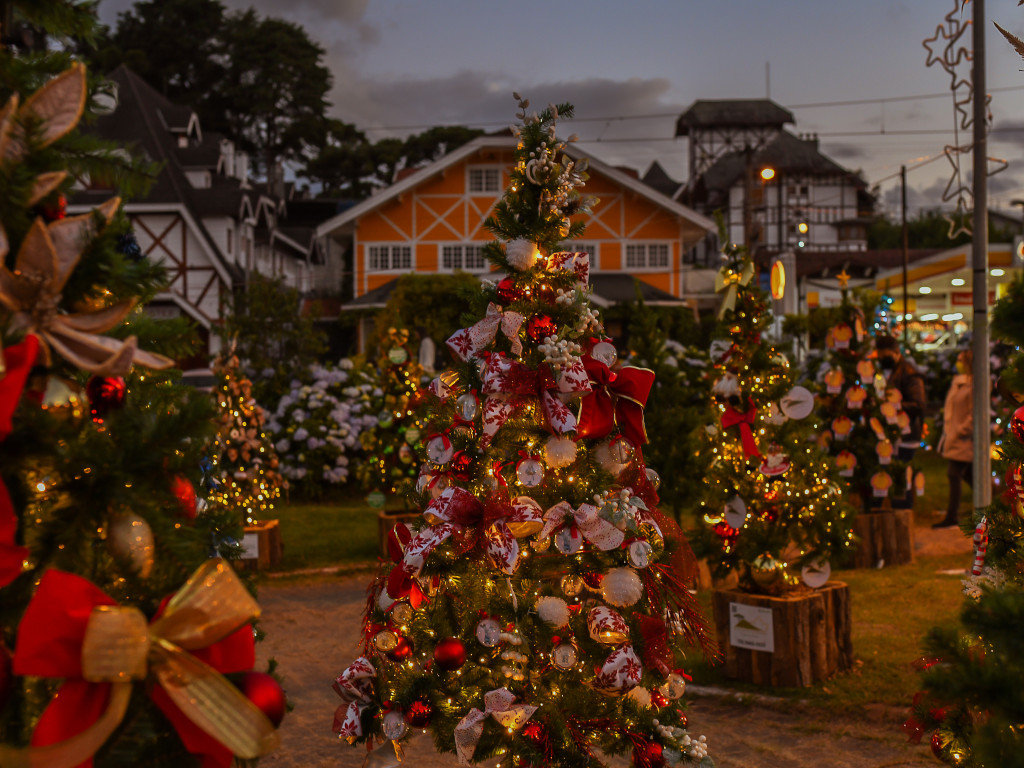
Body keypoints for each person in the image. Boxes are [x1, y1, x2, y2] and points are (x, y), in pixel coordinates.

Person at [875, 334, 926, 508]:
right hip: (890, 435)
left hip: (906, 435)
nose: (882, 359)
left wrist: (893, 406)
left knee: (902, 478)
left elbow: (919, 404)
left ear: (895, 352)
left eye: (885, 355)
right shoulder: (883, 372)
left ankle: (902, 513)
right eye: (879, 356)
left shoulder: (909, 372)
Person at [934, 347, 973, 528]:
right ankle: (992, 503)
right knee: (969, 475)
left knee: (954, 473)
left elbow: (973, 414)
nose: (957, 363)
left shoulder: (974, 384)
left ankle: (952, 517)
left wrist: (960, 430)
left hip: (963, 438)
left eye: (960, 359)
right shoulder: (960, 382)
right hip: (956, 435)